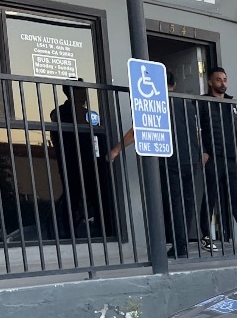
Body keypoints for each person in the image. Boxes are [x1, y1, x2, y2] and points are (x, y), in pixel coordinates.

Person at [109, 71, 201, 258]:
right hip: (190, 159)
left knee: (174, 203)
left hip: (169, 159)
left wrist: (117, 149)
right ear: (174, 85)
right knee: (188, 202)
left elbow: (136, 131)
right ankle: (183, 242)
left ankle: (179, 245)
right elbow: (197, 133)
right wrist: (198, 153)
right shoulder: (188, 104)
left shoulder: (156, 103)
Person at [198, 67, 237, 252]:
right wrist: (202, 150)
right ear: (210, 82)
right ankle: (206, 237)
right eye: (218, 80)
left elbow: (235, 132)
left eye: (225, 80)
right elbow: (196, 129)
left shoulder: (232, 104)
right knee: (210, 198)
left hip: (231, 158)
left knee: (235, 199)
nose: (223, 83)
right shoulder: (202, 102)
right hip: (213, 158)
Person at [50, 82, 116, 239]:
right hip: (71, 163)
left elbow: (98, 137)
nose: (85, 95)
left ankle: (106, 231)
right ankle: (67, 234)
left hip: (93, 163)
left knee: (98, 197)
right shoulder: (60, 113)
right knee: (72, 197)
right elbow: (62, 138)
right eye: (81, 92)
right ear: (71, 93)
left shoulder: (89, 114)